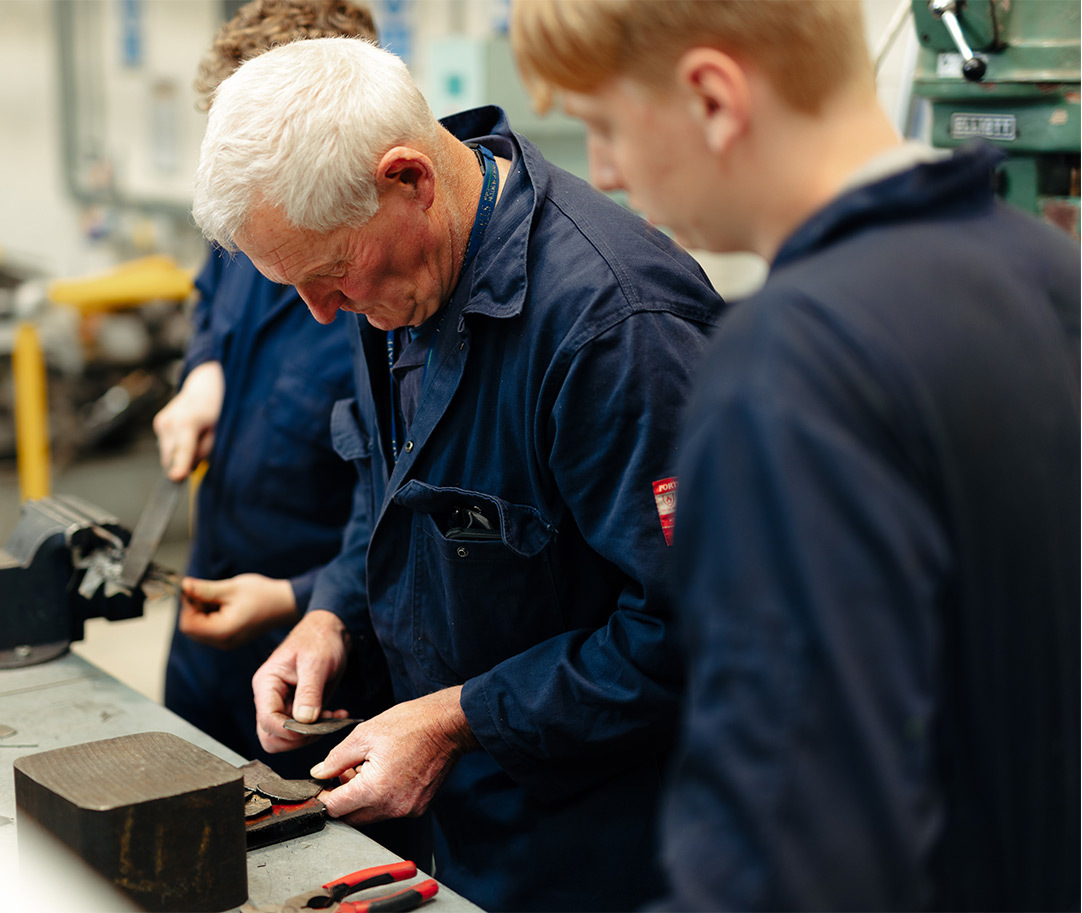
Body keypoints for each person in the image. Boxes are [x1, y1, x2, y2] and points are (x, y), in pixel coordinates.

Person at [510, 2, 1081, 909]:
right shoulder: (1046, 272)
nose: (605, 170)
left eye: (604, 124)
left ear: (712, 98)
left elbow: (790, 856)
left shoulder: (791, 366)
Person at [193, 37, 725, 911]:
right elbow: (393, 485)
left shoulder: (617, 332)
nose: (321, 311)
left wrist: (455, 718)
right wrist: (332, 613)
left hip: (611, 855)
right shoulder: (397, 271)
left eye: (327, 275)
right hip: (464, 831)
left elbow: (697, 629)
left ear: (409, 179)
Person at [153, 0, 380, 781]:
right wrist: (205, 371)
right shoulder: (249, 209)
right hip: (212, 596)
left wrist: (294, 596)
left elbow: (398, 516)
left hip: (319, 649)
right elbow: (211, 295)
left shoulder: (382, 293)